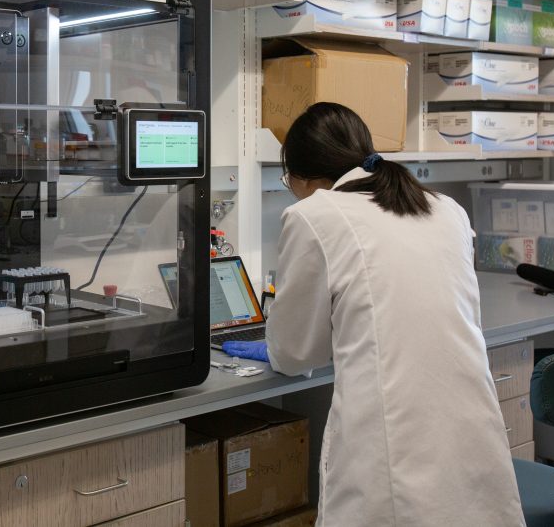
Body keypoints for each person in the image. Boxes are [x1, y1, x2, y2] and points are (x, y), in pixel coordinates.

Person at [222, 102, 524, 527]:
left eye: (288, 180)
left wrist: (274, 346)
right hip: (471, 437)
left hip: (395, 451)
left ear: (304, 178)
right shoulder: (446, 208)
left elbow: (296, 353)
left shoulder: (314, 214)